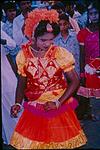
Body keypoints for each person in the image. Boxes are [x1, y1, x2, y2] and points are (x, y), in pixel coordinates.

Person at [10, 9, 87, 149]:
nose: (48, 44)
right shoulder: (23, 55)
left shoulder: (60, 53)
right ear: (32, 36)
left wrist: (58, 103)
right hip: (35, 107)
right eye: (43, 40)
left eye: (51, 39)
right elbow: (21, 84)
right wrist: (17, 103)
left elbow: (74, 81)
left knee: (59, 143)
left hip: (58, 105)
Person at [76, 1, 100, 120]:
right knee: (91, 93)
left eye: (96, 13)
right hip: (89, 68)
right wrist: (81, 73)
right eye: (91, 14)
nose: (94, 16)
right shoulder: (83, 33)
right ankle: (91, 112)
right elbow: (81, 54)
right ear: (88, 15)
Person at [1, 22, 22, 145]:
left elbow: (12, 44)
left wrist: (2, 41)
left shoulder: (1, 29)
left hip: (5, 74)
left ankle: (19, 137)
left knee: (12, 103)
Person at [2, 2, 20, 76]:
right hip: (13, 57)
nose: (12, 13)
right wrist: (12, 64)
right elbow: (6, 49)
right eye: (10, 11)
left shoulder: (20, 23)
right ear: (5, 13)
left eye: (13, 10)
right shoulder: (4, 28)